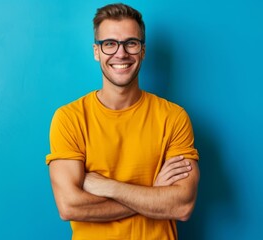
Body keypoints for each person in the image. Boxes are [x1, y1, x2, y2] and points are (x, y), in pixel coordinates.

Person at [46, 3, 200, 240]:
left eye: (131, 43)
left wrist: (110, 187)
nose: (121, 53)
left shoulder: (173, 117)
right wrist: (155, 195)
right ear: (96, 52)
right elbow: (70, 206)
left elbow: (182, 205)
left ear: (143, 51)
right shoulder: (70, 118)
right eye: (109, 44)